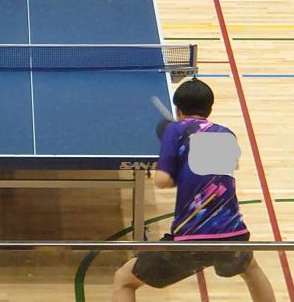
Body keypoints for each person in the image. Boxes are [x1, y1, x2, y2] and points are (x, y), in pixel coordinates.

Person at [113, 79, 275, 302]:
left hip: (192, 239)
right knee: (251, 269)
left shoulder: (175, 130)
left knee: (124, 280)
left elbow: (161, 180)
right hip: (232, 233)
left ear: (178, 110)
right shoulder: (226, 133)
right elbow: (227, 166)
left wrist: (176, 160)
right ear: (209, 108)